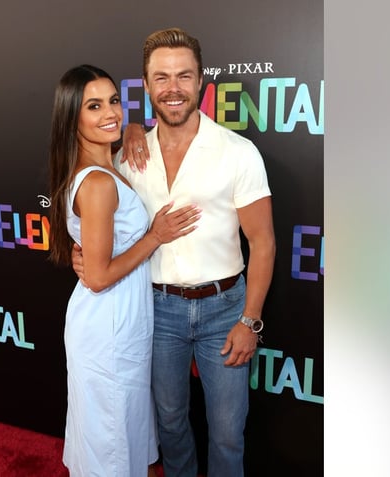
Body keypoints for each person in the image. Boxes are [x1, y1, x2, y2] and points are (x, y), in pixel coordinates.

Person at [75, 28, 276, 477]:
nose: (173, 88)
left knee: (227, 431)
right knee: (168, 423)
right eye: (161, 77)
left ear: (201, 81)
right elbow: (95, 212)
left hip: (226, 309)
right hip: (155, 308)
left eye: (183, 76)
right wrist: (82, 253)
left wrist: (250, 320)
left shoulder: (237, 152)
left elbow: (262, 241)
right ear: (145, 85)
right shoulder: (125, 154)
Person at [47, 64, 201, 477]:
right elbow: (97, 276)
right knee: (110, 440)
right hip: (107, 327)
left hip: (119, 321)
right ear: (71, 118)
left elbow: (97, 263)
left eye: (113, 101)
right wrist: (155, 236)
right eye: (93, 106)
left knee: (118, 431)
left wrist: (131, 129)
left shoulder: (108, 167)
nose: (110, 112)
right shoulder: (98, 183)